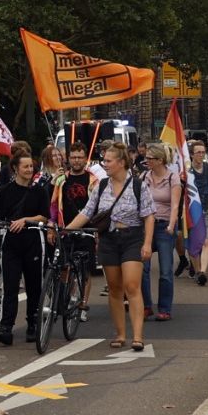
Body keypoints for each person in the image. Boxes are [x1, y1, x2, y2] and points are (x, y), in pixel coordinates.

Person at [65, 143, 152, 351]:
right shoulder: (101, 186)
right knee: (114, 288)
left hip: (132, 237)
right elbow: (87, 212)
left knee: (132, 286)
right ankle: (120, 333)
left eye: (108, 161)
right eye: (104, 161)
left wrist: (147, 243)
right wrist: (66, 229)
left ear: (121, 163)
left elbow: (149, 216)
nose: (105, 164)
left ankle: (138, 336)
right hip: (108, 239)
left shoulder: (139, 185)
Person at [0, 154, 50, 345]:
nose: (30, 170)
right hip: (12, 244)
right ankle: (6, 326)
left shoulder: (39, 191)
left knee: (33, 285)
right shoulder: (5, 191)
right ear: (15, 169)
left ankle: (32, 323)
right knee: (10, 285)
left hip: (32, 242)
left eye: (31, 166)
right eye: (25, 167)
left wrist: (25, 220)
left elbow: (44, 217)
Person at [140, 142, 183, 321]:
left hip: (164, 224)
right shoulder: (143, 177)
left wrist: (171, 226)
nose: (146, 161)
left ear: (160, 160)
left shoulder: (172, 178)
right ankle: (146, 305)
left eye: (150, 158)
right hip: (145, 226)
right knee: (143, 268)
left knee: (165, 270)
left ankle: (164, 308)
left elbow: (175, 205)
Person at [188, 139, 208, 285]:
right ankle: (196, 270)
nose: (201, 155)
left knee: (206, 241)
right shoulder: (186, 172)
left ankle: (202, 272)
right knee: (194, 244)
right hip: (191, 210)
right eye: (198, 152)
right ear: (191, 154)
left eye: (203, 152)